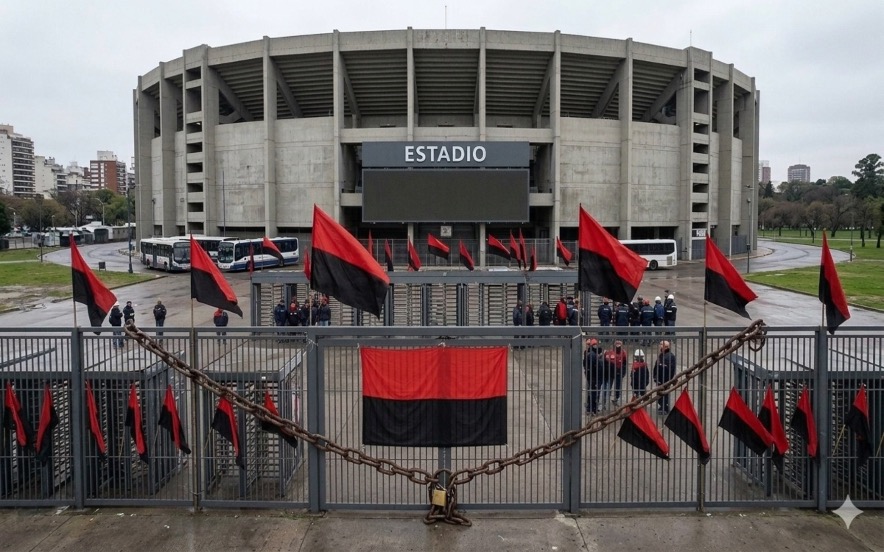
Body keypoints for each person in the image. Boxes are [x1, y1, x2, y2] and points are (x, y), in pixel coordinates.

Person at [654, 340, 676, 414]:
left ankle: (665, 407)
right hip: (660, 378)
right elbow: (657, 366)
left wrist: (667, 379)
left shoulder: (670, 356)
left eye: (661, 344)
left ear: (665, 347)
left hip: (665, 379)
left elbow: (670, 369)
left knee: (664, 394)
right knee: (660, 393)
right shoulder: (662, 355)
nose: (659, 346)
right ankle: (663, 406)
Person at [604, 340, 628, 406]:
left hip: (619, 373)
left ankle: (616, 399)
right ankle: (605, 401)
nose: (618, 346)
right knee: (608, 387)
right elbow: (605, 363)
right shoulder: (609, 352)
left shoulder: (623, 353)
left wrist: (623, 373)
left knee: (618, 387)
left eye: (619, 345)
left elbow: (625, 364)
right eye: (616, 345)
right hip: (610, 373)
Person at [583, 338, 604, 415]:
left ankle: (590, 408)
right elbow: (597, 367)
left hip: (592, 377)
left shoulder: (590, 354)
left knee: (591, 392)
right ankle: (593, 409)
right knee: (594, 393)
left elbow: (585, 365)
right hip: (595, 377)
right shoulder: (593, 355)